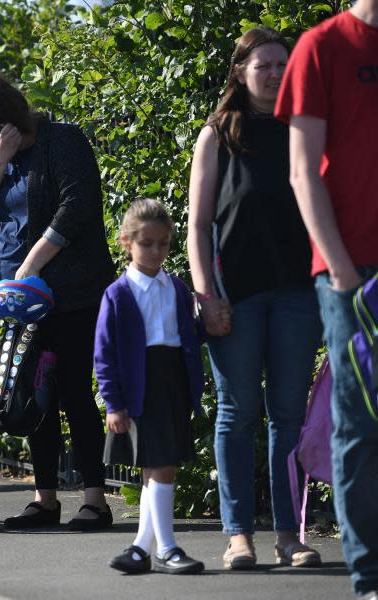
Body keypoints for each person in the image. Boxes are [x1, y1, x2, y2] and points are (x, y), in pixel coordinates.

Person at [186, 26, 323, 569]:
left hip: (299, 294)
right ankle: (237, 534)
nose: (273, 73)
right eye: (263, 64)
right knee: (237, 412)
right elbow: (198, 226)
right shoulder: (217, 134)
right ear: (239, 73)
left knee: (288, 416)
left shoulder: (307, 128)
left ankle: (290, 534)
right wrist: (205, 295)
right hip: (234, 298)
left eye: (281, 65)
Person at [0, 70, 117, 530]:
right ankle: (44, 498)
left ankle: (95, 500)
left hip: (70, 295)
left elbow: (78, 205)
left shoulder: (61, 141)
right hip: (19, 303)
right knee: (32, 396)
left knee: (73, 392)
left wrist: (31, 261)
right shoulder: (5, 159)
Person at [276, 2, 378, 596]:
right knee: (360, 420)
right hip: (353, 272)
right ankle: (368, 573)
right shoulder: (322, 47)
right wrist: (341, 270)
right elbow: (302, 170)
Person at [97, 199, 206, 574]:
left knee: (155, 469)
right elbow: (105, 354)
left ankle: (141, 549)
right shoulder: (118, 294)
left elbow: (189, 334)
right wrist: (113, 403)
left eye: (164, 243)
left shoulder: (176, 288)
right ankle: (168, 549)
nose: (157, 251)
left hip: (171, 381)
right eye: (147, 243)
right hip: (141, 389)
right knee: (162, 467)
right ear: (127, 242)